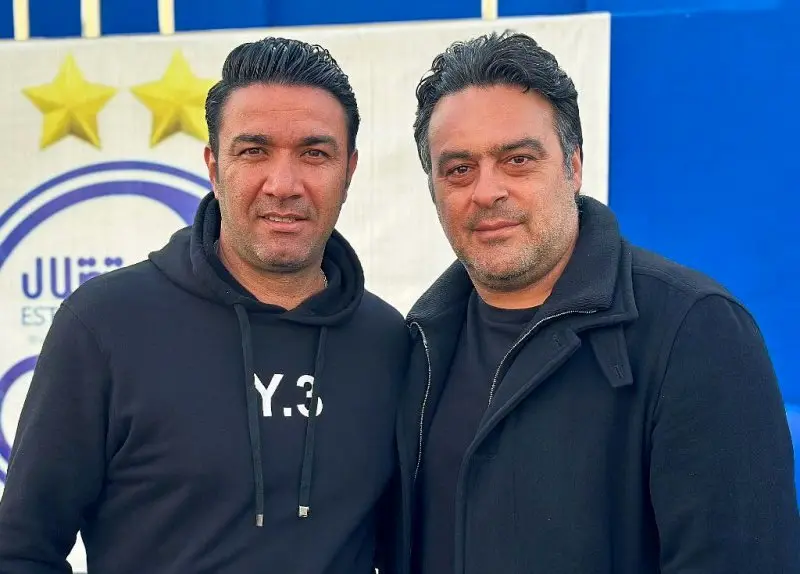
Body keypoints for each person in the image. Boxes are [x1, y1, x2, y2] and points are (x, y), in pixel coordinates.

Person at [389, 31, 800, 574]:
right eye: (459, 169)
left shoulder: (695, 331)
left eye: (517, 159)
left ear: (574, 166)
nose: (486, 191)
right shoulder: (416, 345)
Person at [0, 37, 409, 573]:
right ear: (214, 167)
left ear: (349, 170)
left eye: (314, 153)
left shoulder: (388, 342)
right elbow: (21, 550)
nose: (283, 184)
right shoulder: (105, 324)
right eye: (254, 151)